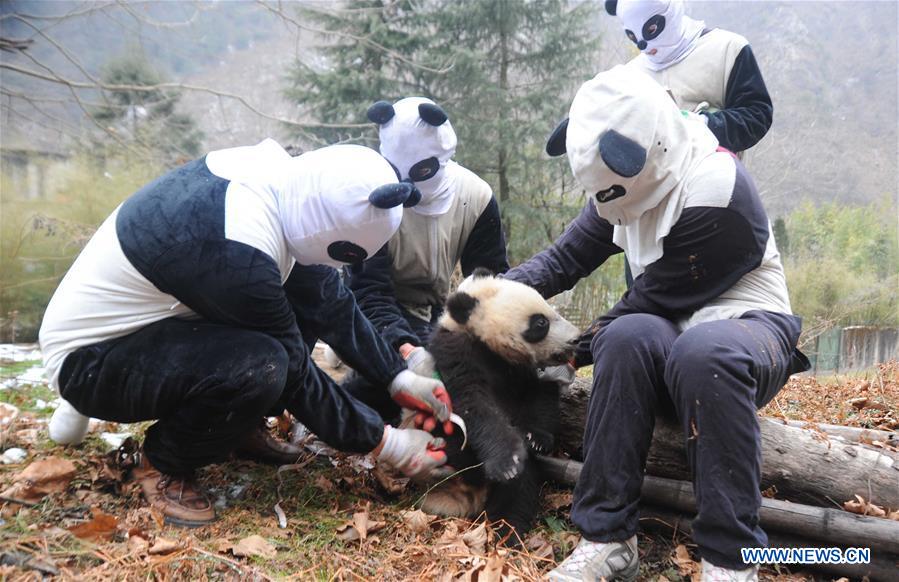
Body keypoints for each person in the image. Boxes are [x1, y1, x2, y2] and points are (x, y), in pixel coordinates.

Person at [39, 139, 453, 527]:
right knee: (262, 364)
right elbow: (294, 371)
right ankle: (160, 463)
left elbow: (330, 304)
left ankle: (232, 428)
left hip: (155, 327)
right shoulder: (238, 246)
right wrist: (391, 444)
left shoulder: (291, 189)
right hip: (90, 362)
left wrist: (398, 377)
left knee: (289, 323)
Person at [506, 67, 808, 581]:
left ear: (644, 152)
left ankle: (731, 559)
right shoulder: (620, 178)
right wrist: (490, 301)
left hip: (748, 327)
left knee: (701, 351)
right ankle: (607, 538)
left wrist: (560, 354)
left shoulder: (718, 190)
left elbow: (649, 297)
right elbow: (561, 261)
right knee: (625, 339)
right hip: (667, 328)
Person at [341, 97, 509, 423]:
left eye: (420, 171)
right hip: (373, 310)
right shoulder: (375, 197)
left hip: (435, 311)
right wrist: (406, 348)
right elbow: (368, 290)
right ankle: (343, 403)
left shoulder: (475, 196)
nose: (410, 185)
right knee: (399, 372)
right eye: (397, 172)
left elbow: (489, 282)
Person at [606, 0, 773, 156]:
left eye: (650, 30)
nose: (642, 45)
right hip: (651, 184)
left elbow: (757, 114)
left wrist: (703, 124)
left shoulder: (728, 49)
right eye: (632, 37)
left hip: (714, 179)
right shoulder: (629, 75)